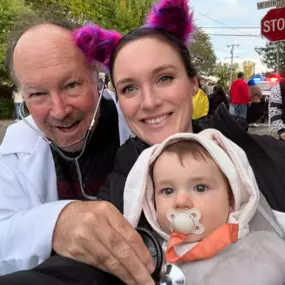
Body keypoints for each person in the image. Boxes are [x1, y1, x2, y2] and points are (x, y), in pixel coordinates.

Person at [2, 0, 285, 284]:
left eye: (164, 78)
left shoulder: (264, 154)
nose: (149, 103)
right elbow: (78, 267)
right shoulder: (127, 181)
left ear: (193, 83)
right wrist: (56, 223)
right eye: (130, 88)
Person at [0, 16, 155, 285]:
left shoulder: (142, 127)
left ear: (97, 78)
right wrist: (56, 223)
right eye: (37, 95)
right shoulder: (16, 146)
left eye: (71, 85)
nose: (59, 111)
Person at [123, 130, 285, 285]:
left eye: (200, 188)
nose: (180, 201)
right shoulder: (152, 257)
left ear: (231, 198)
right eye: (167, 191)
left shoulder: (261, 244)